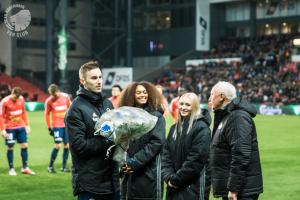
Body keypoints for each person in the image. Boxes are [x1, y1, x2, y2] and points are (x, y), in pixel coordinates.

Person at [65, 61, 119, 200]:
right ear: (83, 81)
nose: (99, 81)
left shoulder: (107, 103)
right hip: (90, 184)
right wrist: (106, 139)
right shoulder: (76, 109)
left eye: (100, 77)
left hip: (112, 181)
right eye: (94, 78)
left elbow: (115, 132)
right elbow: (79, 146)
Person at [209, 81, 263, 200]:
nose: (209, 99)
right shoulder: (228, 116)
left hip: (241, 190)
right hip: (234, 187)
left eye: (212, 94)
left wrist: (233, 188)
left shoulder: (237, 117)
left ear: (222, 96)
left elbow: (241, 155)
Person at [118, 81, 166, 200]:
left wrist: (133, 162)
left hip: (148, 173)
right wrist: (123, 164)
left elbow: (155, 144)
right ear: (131, 96)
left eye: (145, 92)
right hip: (128, 171)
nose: (142, 95)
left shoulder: (156, 117)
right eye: (138, 92)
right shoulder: (126, 116)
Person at [162, 92, 211, 200]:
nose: (183, 107)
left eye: (188, 105)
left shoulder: (202, 128)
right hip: (172, 186)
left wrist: (176, 179)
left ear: (195, 107)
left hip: (193, 187)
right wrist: (168, 177)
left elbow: (196, 159)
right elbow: (165, 155)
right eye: (181, 104)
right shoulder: (174, 128)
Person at [0, 87, 35, 176]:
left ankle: (25, 168)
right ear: (12, 93)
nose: (16, 99)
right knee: (10, 147)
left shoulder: (21, 99)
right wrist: (3, 129)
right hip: (10, 128)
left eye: (17, 97)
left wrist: (27, 125)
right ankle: (11, 169)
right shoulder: (4, 102)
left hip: (20, 127)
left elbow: (23, 112)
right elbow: (1, 116)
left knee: (24, 145)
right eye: (15, 97)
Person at [45, 83, 72, 173]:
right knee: (57, 145)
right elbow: (47, 115)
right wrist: (49, 128)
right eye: (52, 95)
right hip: (57, 126)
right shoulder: (49, 101)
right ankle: (50, 166)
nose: (54, 96)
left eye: (55, 94)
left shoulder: (65, 97)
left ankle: (64, 167)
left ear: (58, 91)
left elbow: (71, 108)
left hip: (66, 125)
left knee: (67, 146)